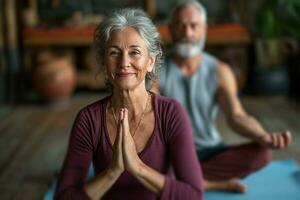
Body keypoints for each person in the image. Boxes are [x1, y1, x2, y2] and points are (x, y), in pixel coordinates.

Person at [55, 8, 203, 200]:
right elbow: (64, 197)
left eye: (134, 52)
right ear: (104, 63)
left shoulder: (171, 113)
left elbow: (194, 195)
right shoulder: (89, 120)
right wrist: (113, 171)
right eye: (114, 53)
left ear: (150, 61)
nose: (124, 62)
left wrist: (138, 168)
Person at [153, 0, 292, 192]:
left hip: (210, 150)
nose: (187, 33)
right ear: (170, 28)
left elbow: (236, 116)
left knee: (263, 154)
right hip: (173, 154)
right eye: (180, 25)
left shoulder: (220, 70)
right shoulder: (156, 72)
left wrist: (262, 135)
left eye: (194, 26)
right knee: (143, 161)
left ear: (204, 29)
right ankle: (201, 182)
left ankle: (182, 181)